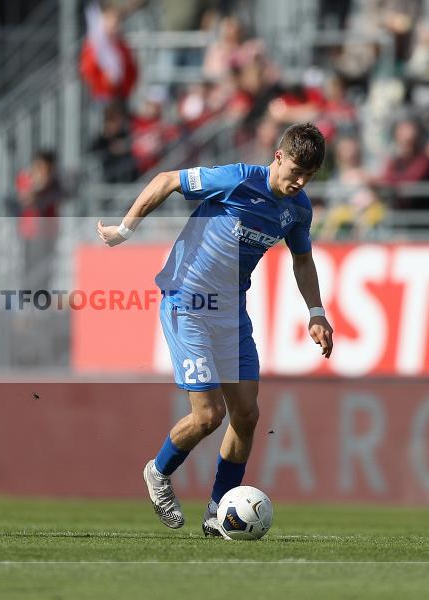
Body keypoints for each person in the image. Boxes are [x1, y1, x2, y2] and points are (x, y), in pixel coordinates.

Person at [96, 123, 334, 536]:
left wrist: (316, 311)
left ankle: (216, 511)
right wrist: (125, 229)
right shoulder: (240, 179)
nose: (299, 182)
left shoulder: (299, 210)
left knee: (246, 415)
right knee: (208, 416)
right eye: (295, 170)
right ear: (278, 156)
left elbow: (301, 259)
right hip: (186, 302)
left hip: (231, 312)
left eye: (309, 176)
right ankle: (158, 472)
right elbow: (167, 180)